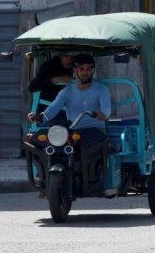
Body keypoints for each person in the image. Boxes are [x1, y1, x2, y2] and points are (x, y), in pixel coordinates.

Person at [29, 54, 111, 188]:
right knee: (38, 141)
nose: (85, 72)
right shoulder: (67, 91)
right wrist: (39, 117)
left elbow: (106, 110)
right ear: (75, 71)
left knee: (83, 147)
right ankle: (44, 179)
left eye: (88, 69)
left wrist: (101, 115)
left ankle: (92, 179)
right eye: (81, 69)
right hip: (72, 131)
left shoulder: (101, 89)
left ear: (93, 70)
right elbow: (53, 109)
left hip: (95, 131)